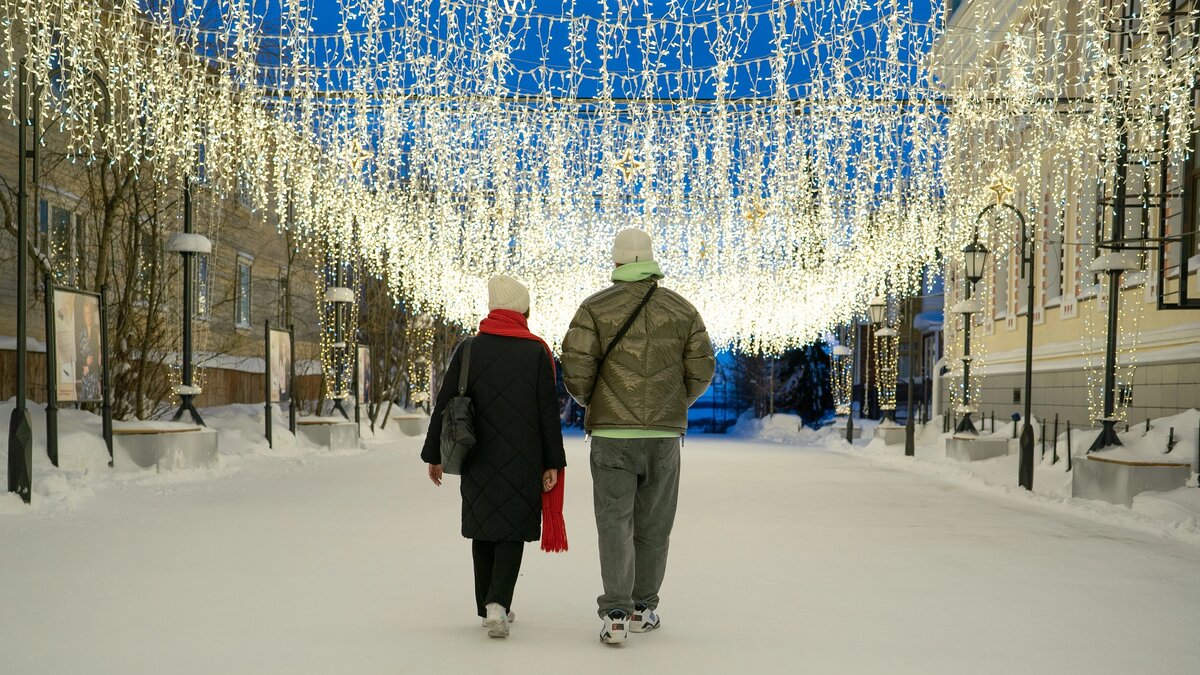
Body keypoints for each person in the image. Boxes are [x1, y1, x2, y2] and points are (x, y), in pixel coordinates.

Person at [561, 228, 715, 645]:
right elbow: (702, 369)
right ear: (650, 261)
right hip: (663, 436)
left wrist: (596, 402)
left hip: (611, 435)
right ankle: (643, 608)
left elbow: (575, 370)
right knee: (655, 524)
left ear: (616, 262)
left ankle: (615, 613)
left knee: (614, 521)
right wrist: (673, 403)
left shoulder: (593, 308)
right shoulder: (682, 309)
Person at [422, 274, 567, 639]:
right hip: (524, 457)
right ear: (522, 310)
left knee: (483, 527)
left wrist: (434, 453)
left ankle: (487, 604)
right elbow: (547, 413)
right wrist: (552, 461)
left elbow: (445, 403)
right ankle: (498, 604)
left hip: (476, 454)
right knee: (511, 530)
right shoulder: (536, 351)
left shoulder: (469, 349)